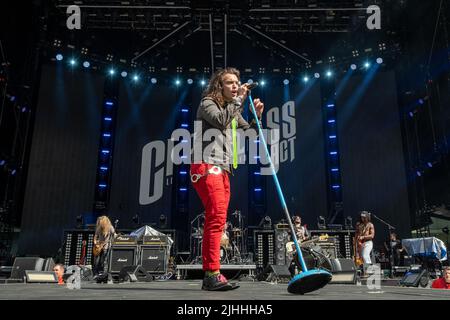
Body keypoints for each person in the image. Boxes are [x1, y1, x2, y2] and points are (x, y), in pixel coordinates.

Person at [190, 67, 264, 291]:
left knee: (219, 220)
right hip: (206, 165)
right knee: (215, 219)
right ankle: (212, 273)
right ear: (219, 86)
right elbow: (221, 121)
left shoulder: (233, 109)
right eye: (230, 83)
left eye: (237, 82)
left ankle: (210, 276)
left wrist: (257, 118)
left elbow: (251, 133)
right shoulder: (207, 104)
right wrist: (240, 99)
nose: (235, 86)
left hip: (224, 169)